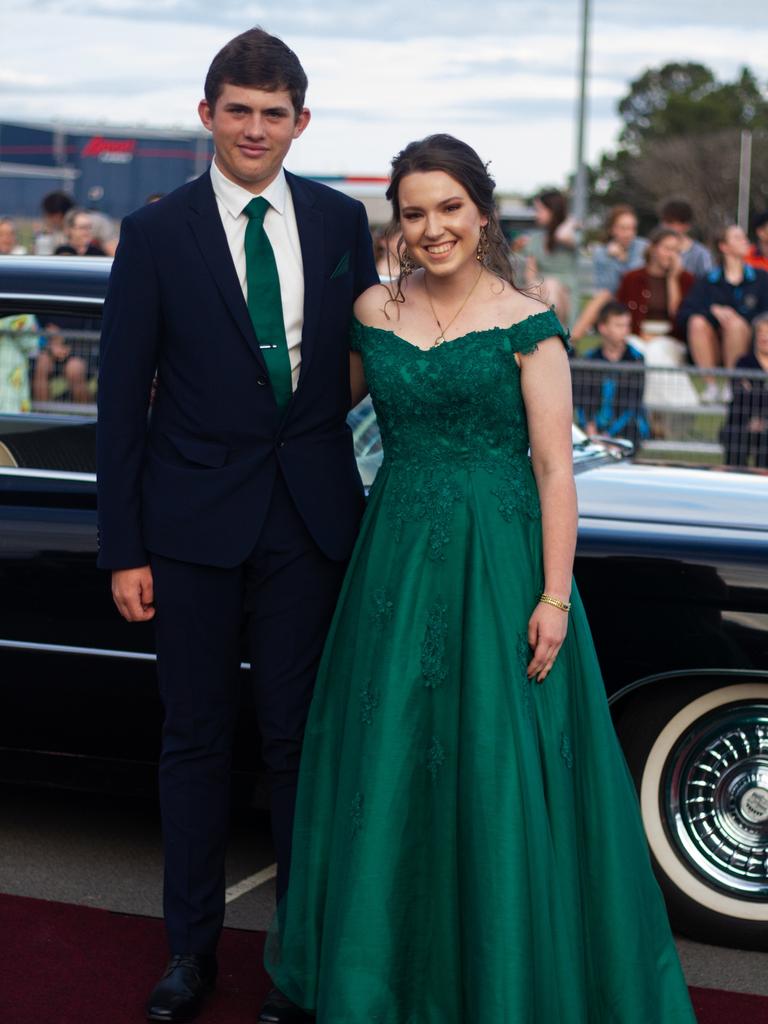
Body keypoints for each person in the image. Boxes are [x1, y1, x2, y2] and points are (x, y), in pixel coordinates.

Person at [265, 133, 695, 1023]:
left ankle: (499, 980)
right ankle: (384, 976)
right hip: (396, 566)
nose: (432, 228)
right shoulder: (372, 315)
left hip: (501, 567)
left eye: (449, 208)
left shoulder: (528, 320)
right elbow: (305, 417)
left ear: (482, 212)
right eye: (414, 212)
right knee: (389, 769)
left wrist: (553, 595)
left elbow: (553, 470)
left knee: (496, 763)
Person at [96, 27, 377, 1024]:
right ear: (208, 113)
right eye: (239, 109)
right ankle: (189, 954)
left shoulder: (347, 222)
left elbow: (379, 352)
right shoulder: (156, 232)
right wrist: (124, 545)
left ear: (302, 122)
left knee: (304, 744)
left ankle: (295, 964)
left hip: (310, 521)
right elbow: (120, 400)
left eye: (275, 112)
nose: (256, 128)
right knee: (196, 739)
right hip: (187, 530)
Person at [677, 224, 768, 401]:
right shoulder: (707, 280)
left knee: (734, 324)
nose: (745, 241)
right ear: (723, 246)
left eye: (744, 237)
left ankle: (731, 384)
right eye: (737, 237)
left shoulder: (761, 278)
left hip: (748, 344)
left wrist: (737, 317)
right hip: (711, 346)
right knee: (697, 322)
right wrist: (712, 311)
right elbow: (684, 314)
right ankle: (710, 386)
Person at [572, 300, 650, 447]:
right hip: (594, 430)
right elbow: (583, 399)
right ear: (603, 328)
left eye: (627, 325)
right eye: (619, 326)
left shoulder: (636, 359)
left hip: (625, 429)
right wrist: (591, 428)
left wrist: (610, 435)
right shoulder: (590, 359)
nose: (625, 331)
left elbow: (633, 402)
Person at [571, 204, 648, 341]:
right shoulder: (602, 253)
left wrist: (621, 260)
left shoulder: (643, 247)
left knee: (602, 297)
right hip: (615, 299)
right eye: (623, 228)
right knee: (602, 295)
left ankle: (573, 339)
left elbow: (636, 280)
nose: (629, 233)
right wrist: (611, 260)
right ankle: (574, 341)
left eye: (632, 228)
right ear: (612, 230)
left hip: (640, 298)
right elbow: (608, 286)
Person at [616, 226, 693, 338]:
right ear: (652, 248)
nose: (672, 255)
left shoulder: (686, 279)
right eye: (667, 249)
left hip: (671, 339)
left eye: (677, 251)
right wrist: (639, 334)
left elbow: (679, 316)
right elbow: (619, 313)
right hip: (637, 336)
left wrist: (672, 279)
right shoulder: (632, 278)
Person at [522, 187, 577, 321]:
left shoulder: (568, 235)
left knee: (551, 285)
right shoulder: (535, 240)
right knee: (537, 287)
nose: (536, 214)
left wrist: (569, 220)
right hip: (541, 292)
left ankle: (554, 331)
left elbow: (561, 235)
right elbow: (530, 274)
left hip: (564, 294)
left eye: (540, 210)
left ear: (553, 210)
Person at [721, 311, 768, 467]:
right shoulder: (744, 362)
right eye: (761, 332)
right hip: (742, 422)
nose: (764, 337)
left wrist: (764, 419)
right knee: (736, 438)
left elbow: (751, 394)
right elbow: (741, 395)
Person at [659, 198, 713, 278]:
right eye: (669, 222)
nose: (672, 228)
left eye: (678, 223)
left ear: (687, 225)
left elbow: (708, 283)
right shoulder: (652, 249)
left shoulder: (700, 254)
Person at [34, 190, 74, 255]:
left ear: (58, 215)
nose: (46, 219)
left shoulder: (69, 238)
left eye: (47, 215)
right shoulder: (47, 233)